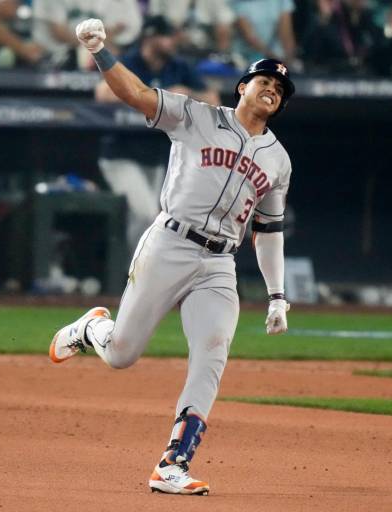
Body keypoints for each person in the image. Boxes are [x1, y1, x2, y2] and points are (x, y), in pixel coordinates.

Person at [50, 17, 295, 495]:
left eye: (280, 89)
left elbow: (267, 230)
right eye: (264, 81)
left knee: (211, 353)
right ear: (243, 86)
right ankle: (91, 329)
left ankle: (172, 463)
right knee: (122, 354)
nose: (271, 90)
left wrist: (277, 295)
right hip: (170, 243)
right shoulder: (197, 115)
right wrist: (102, 52)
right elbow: (138, 94)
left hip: (220, 265)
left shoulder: (278, 160)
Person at [95, 15, 221, 254]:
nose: (173, 42)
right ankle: (140, 274)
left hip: (157, 157)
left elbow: (213, 100)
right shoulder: (130, 61)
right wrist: (154, 95)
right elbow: (103, 93)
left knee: (149, 219)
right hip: (120, 155)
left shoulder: (178, 66)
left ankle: (128, 276)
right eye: (167, 37)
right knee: (146, 214)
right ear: (150, 37)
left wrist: (186, 93)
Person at [31, 0, 142, 69]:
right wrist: (90, 45)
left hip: (105, 55)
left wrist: (89, 46)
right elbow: (58, 32)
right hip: (54, 57)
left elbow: (122, 29)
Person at [146, 0, 236, 58]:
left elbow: (224, 21)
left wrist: (221, 55)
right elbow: (156, 21)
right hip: (176, 47)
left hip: (207, 49)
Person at [231, 0, 299, 69]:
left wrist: (289, 59)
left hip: (277, 56)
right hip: (244, 58)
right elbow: (250, 37)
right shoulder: (238, 3)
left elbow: (286, 34)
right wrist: (273, 59)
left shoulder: (282, 2)